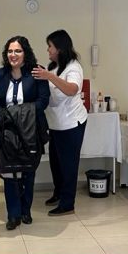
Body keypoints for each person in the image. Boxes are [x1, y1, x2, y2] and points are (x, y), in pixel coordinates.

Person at [0, 36, 50, 230]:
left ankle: (26, 211)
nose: (13, 55)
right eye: (10, 51)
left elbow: (43, 100)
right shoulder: (1, 74)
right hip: (7, 131)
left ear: (25, 53)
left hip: (31, 130)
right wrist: (4, 115)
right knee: (10, 172)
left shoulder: (36, 72)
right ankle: (13, 215)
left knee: (28, 172)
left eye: (17, 51)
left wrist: (20, 113)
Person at [33, 29, 88, 216]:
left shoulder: (73, 67)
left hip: (71, 124)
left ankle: (67, 203)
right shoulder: (54, 67)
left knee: (68, 165)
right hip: (55, 123)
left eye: (50, 46)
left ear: (60, 48)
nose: (48, 50)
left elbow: (72, 90)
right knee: (56, 163)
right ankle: (58, 193)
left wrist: (49, 76)